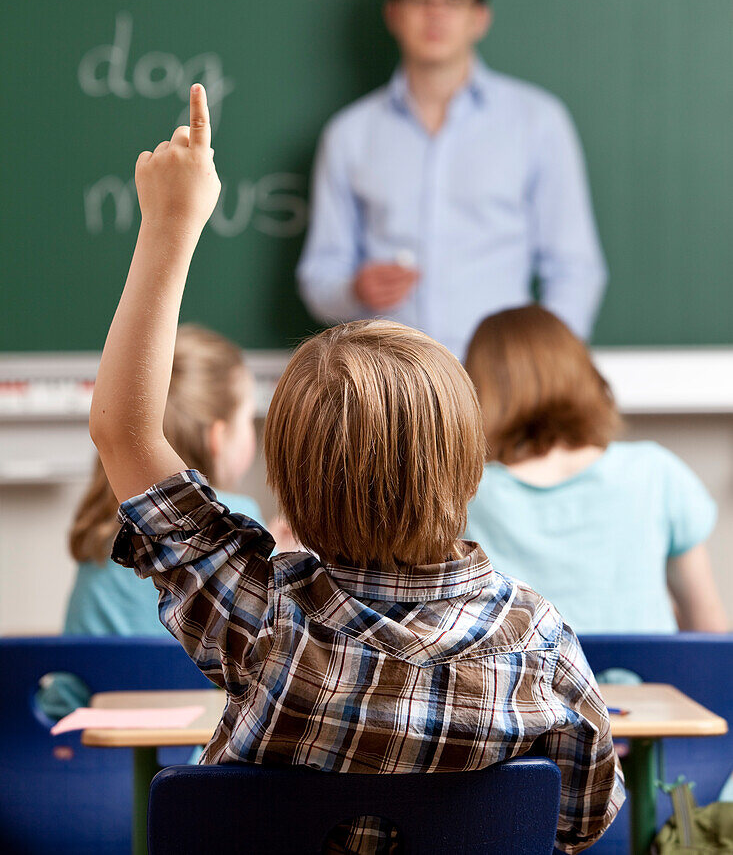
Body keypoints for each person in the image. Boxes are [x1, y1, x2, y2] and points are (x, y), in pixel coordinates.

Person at [89, 85, 623, 855]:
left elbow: (124, 431)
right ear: (470, 470)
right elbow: (573, 821)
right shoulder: (535, 645)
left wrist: (169, 227)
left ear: (290, 493)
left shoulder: (264, 620)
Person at [297, 0, 607, 360]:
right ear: (393, 14)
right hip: (392, 386)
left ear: (479, 18)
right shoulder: (349, 134)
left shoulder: (538, 121)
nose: (435, 13)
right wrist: (353, 291)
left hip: (502, 380)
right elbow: (319, 276)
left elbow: (574, 269)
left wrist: (541, 367)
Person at [38, 324, 264, 720]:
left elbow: (65, 694)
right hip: (190, 758)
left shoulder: (108, 522)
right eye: (249, 417)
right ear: (218, 436)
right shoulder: (241, 518)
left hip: (76, 751)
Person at [464, 304, 728, 635]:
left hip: (521, 686)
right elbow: (706, 627)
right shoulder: (654, 472)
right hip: (641, 685)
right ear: (583, 373)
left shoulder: (463, 493)